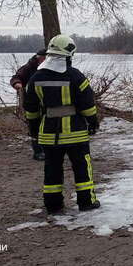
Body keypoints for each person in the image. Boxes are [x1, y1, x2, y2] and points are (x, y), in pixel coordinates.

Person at [23, 34, 101, 214]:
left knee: (52, 169)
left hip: (49, 134)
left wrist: (34, 129)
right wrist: (93, 123)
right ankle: (86, 202)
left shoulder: (36, 78)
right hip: (76, 133)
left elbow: (31, 109)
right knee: (82, 168)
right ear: (68, 55)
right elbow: (88, 104)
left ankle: (53, 205)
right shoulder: (75, 76)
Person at [10, 49, 48, 160]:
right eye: (44, 58)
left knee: (47, 127)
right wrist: (17, 84)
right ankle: (37, 152)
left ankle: (48, 150)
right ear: (39, 58)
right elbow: (16, 77)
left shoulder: (50, 67)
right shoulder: (28, 67)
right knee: (34, 127)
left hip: (47, 103)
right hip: (31, 103)